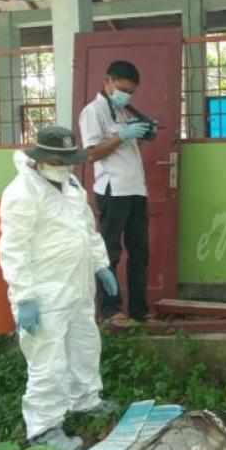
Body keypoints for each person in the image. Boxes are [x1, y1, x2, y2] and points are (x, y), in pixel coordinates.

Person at [0, 126, 120, 450]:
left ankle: (85, 400)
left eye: (69, 160)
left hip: (77, 286)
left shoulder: (71, 184)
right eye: (58, 160)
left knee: (85, 345)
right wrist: (24, 297)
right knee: (47, 363)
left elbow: (86, 228)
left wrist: (100, 264)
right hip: (43, 294)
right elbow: (13, 249)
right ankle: (44, 429)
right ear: (40, 160)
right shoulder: (21, 193)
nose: (65, 165)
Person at [78, 60, 154, 326]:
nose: (126, 95)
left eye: (131, 91)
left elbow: (125, 151)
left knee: (140, 253)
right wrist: (122, 136)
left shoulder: (123, 111)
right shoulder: (93, 111)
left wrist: (143, 132)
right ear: (107, 81)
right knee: (109, 252)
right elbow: (91, 153)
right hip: (113, 191)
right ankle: (111, 311)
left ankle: (139, 311)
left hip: (136, 190)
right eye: (121, 88)